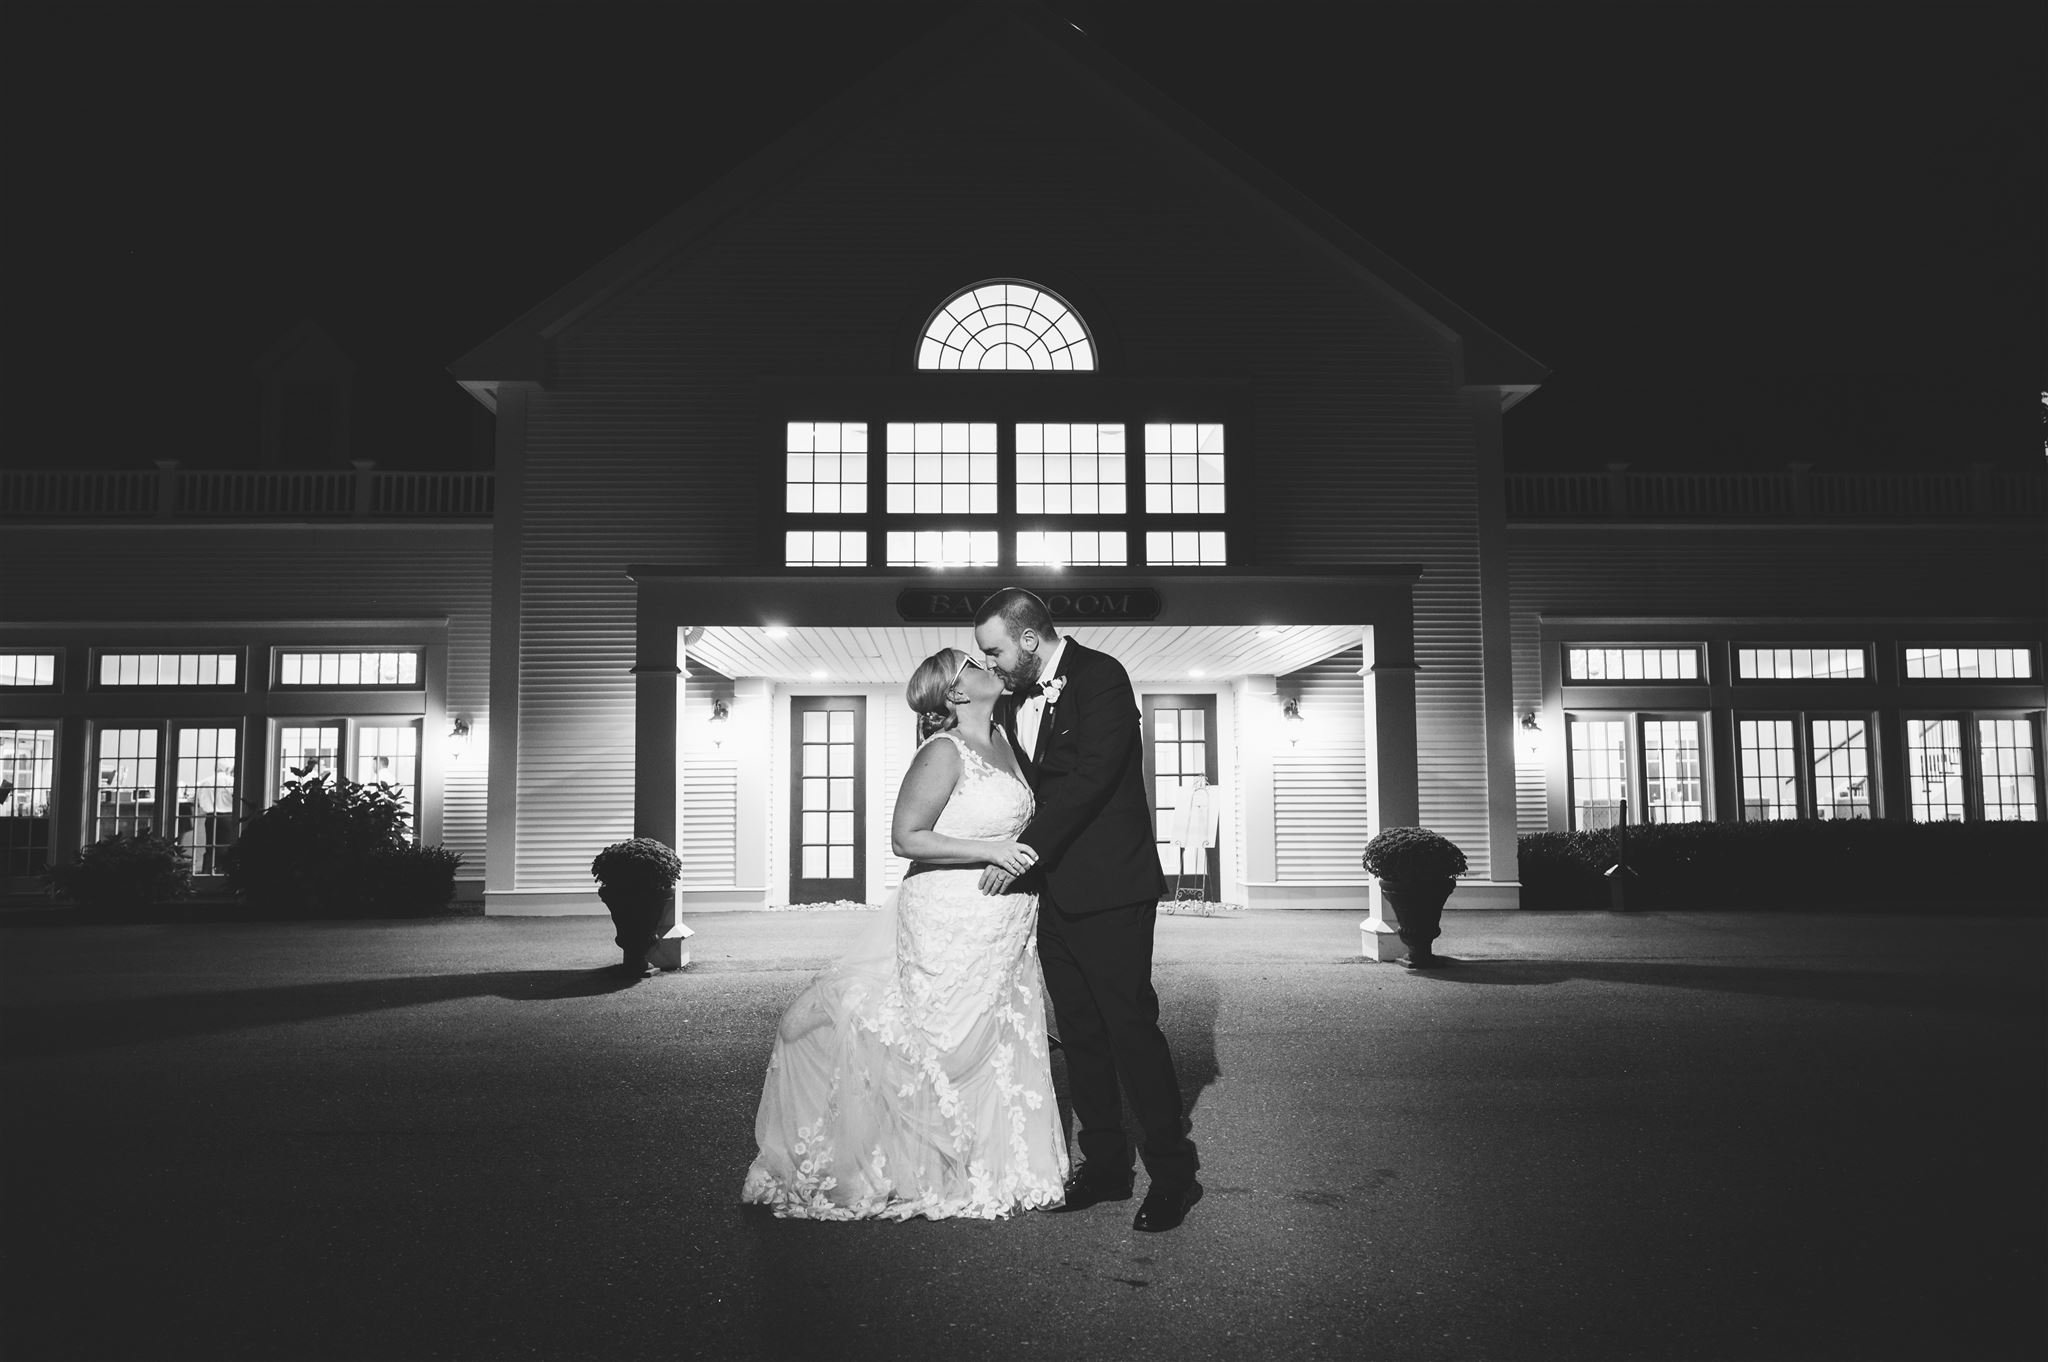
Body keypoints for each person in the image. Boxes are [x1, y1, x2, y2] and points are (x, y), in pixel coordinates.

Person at [741, 647, 1069, 1220]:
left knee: (994, 1031)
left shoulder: (1008, 740)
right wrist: (992, 851)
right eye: (974, 664)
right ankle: (915, 1161)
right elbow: (906, 837)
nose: (989, 667)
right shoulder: (943, 751)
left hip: (1004, 917)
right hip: (949, 912)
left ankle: (987, 1165)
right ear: (956, 692)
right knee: (943, 1031)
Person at [973, 587, 1202, 1233]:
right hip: (1057, 893)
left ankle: (1174, 1177)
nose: (989, 662)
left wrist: (1020, 852)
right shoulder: (1014, 697)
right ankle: (1104, 1168)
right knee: (1080, 1036)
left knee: (1130, 1031)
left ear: (1026, 639)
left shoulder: (1102, 675)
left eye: (993, 649)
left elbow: (1093, 777)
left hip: (1112, 888)